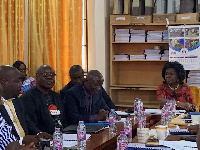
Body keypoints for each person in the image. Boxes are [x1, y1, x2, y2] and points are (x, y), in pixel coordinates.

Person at [0, 65, 51, 149]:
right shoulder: (1, 105)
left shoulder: (18, 101)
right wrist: (21, 141)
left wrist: (39, 134)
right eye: (17, 82)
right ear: (4, 82)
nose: (21, 85)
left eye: (21, 81)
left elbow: (27, 121)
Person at [19, 65, 67, 134]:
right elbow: (31, 124)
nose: (49, 78)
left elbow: (63, 119)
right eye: (45, 75)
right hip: (42, 137)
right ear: (37, 77)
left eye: (52, 75)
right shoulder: (28, 97)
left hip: (62, 135)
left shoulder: (56, 96)